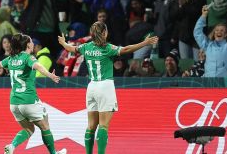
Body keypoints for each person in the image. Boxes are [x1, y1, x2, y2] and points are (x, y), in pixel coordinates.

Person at [58, 22, 158, 154]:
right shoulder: (107, 48)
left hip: (91, 87)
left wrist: (64, 43)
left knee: (91, 126)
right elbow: (126, 49)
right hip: (105, 86)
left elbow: (71, 49)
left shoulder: (86, 47)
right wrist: (145, 43)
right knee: (103, 126)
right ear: (104, 33)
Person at [0, 33, 66, 154]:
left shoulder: (11, 58)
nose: (33, 43)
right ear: (27, 44)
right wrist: (50, 74)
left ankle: (12, 146)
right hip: (28, 100)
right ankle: (54, 153)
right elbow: (38, 66)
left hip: (14, 103)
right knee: (45, 126)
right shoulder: (28, 57)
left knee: (28, 128)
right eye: (31, 41)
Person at [193, 6, 227, 77]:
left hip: (223, 84)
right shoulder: (208, 45)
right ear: (214, 33)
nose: (219, 32)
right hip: (208, 82)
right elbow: (197, 33)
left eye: (222, 30)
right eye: (216, 30)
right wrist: (203, 15)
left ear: (225, 35)